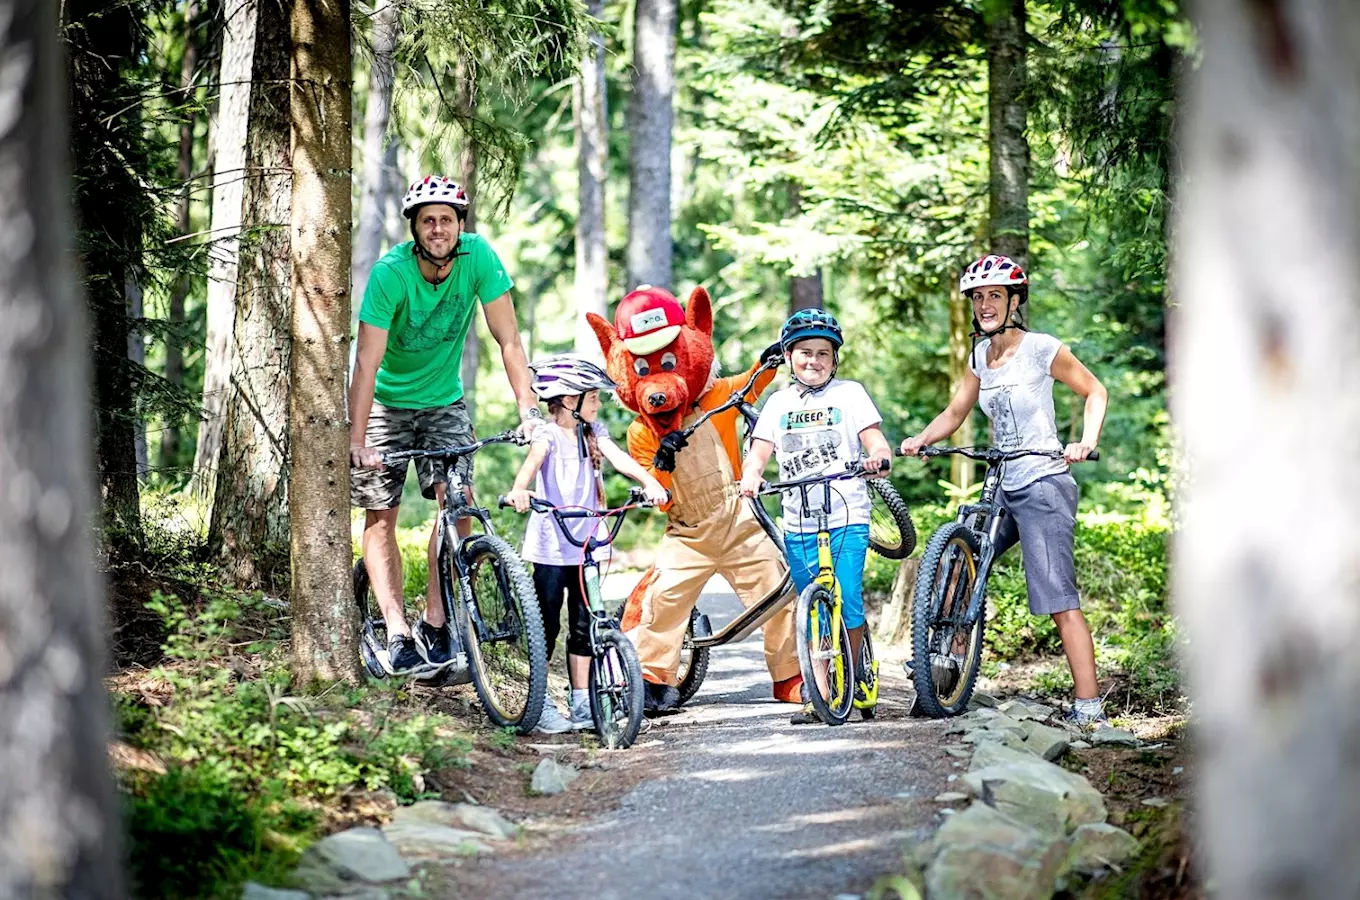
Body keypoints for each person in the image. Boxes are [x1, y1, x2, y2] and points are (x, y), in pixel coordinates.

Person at [898, 254, 1110, 728]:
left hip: (1043, 481)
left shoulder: (1040, 348)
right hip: (1003, 480)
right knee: (960, 566)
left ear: (1014, 301)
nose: (985, 304)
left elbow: (1096, 392)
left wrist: (1085, 442)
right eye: (978, 297)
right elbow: (955, 414)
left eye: (995, 295)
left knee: (1057, 596)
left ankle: (1089, 706)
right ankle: (942, 663)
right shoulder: (980, 357)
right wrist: (921, 439)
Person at [350, 174, 543, 676]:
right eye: (428, 220)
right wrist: (356, 440)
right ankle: (395, 631)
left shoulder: (478, 257)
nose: (438, 228)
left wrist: (528, 407)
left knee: (459, 505)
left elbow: (509, 340)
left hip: (443, 400)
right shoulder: (391, 273)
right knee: (381, 512)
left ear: (461, 224)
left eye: (447, 219)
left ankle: (435, 622)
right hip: (386, 404)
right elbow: (366, 363)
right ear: (414, 227)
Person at [739, 309, 893, 724]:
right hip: (800, 518)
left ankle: (858, 669)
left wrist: (878, 457)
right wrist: (751, 477)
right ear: (789, 356)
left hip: (846, 512)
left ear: (834, 359)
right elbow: (758, 454)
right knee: (813, 607)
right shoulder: (778, 403)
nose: (813, 360)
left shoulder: (850, 394)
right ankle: (821, 693)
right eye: (804, 352)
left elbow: (874, 439)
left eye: (823, 353)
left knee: (848, 596)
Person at [504, 356, 669, 733]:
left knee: (584, 624)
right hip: (551, 546)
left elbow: (620, 460)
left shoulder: (594, 433)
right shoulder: (547, 434)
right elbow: (532, 464)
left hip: (587, 543)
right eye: (591, 397)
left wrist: (650, 482)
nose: (597, 404)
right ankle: (541, 701)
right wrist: (519, 490)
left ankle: (581, 702)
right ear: (566, 401)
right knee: (545, 625)